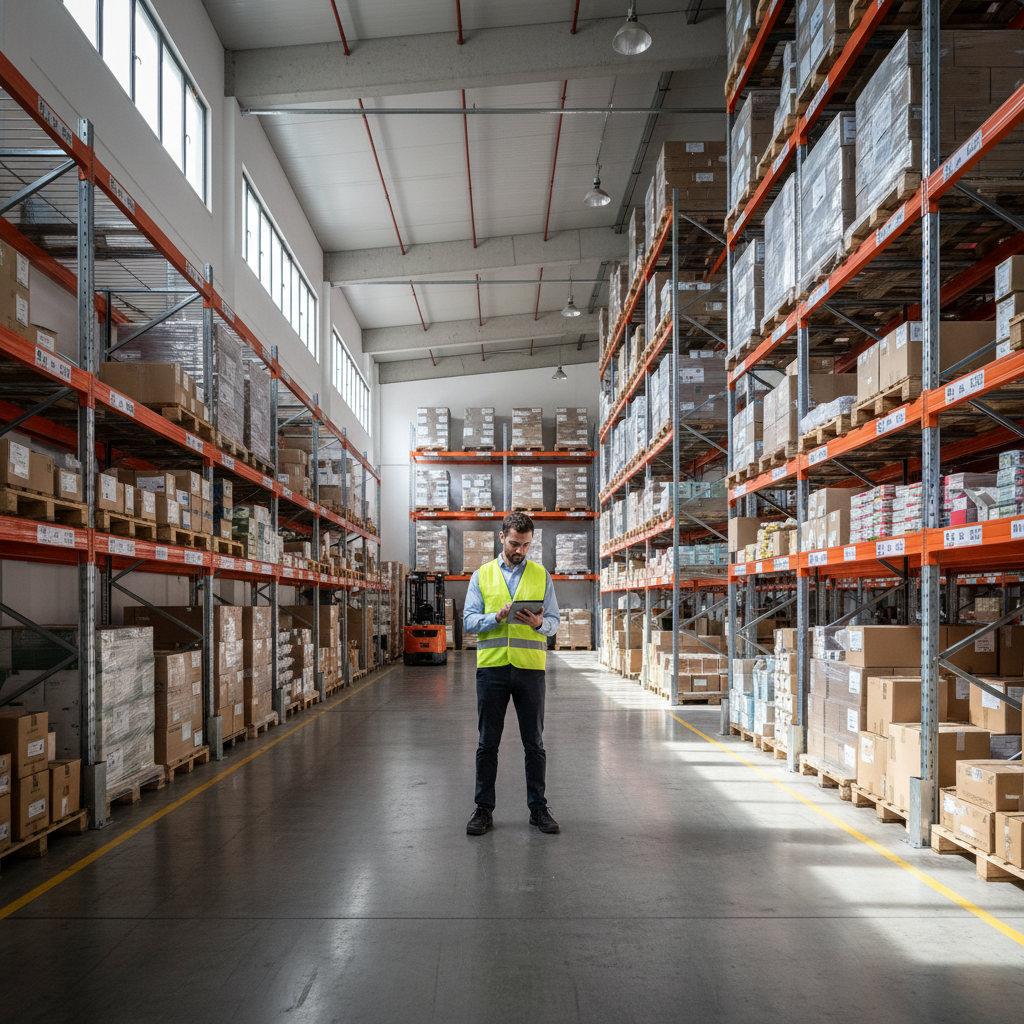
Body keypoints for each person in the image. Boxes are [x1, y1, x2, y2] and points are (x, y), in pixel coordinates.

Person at [462, 511, 561, 835]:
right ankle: (483, 810)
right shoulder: (482, 575)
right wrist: (496, 617)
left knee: (534, 743)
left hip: (529, 671)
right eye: (515, 543)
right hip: (491, 670)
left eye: (526, 545)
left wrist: (539, 624)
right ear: (501, 537)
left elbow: (554, 622)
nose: (520, 550)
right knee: (487, 743)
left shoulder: (540, 575)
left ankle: (538, 809)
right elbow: (468, 621)